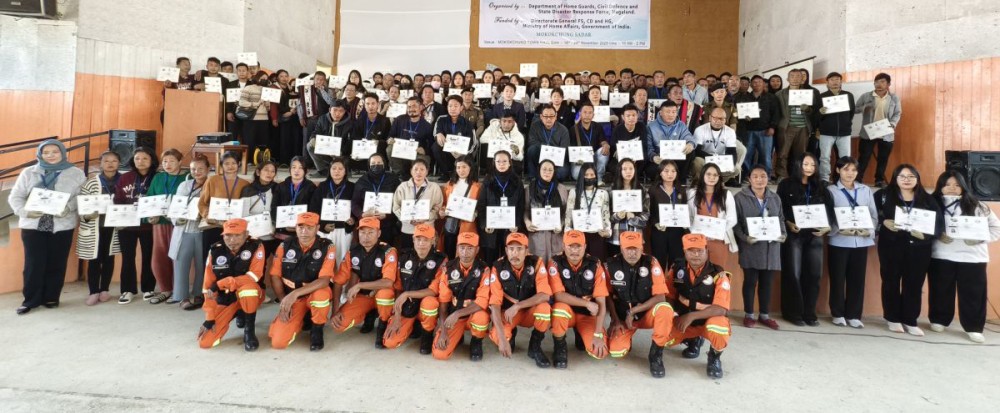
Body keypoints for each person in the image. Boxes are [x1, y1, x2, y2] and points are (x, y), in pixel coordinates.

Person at [9, 140, 86, 315]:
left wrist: (68, 208)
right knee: (33, 264)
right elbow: (16, 196)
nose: (50, 155)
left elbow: (80, 196)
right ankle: (30, 300)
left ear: (63, 153)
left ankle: (51, 297)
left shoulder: (75, 173)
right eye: (46, 152)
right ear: (40, 154)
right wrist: (25, 212)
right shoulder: (29, 172)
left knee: (56, 262)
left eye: (55, 151)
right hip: (33, 226)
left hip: (62, 225)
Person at [929, 171, 1000, 343]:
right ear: (941, 186)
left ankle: (974, 327)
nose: (952, 188)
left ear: (963, 186)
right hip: (941, 255)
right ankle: (939, 319)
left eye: (956, 185)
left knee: (973, 294)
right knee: (940, 290)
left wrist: (980, 239)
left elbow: (996, 228)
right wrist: (936, 235)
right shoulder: (931, 204)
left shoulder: (978, 205)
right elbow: (922, 226)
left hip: (973, 258)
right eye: (947, 184)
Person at [874, 164, 942, 336]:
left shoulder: (927, 199)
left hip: (919, 249)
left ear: (917, 179)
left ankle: (910, 320)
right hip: (891, 246)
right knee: (890, 281)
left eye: (911, 176)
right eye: (902, 176)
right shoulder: (882, 195)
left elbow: (938, 223)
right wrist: (884, 222)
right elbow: (870, 215)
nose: (906, 179)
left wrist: (926, 235)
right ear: (895, 178)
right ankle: (892, 318)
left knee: (914, 283)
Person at [605, 231, 673, 378]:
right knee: (616, 351)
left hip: (646, 314)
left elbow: (661, 296)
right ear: (621, 248)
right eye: (628, 248)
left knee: (665, 309)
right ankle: (626, 337)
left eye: (635, 248)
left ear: (642, 248)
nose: (632, 253)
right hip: (623, 318)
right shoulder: (611, 265)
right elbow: (608, 296)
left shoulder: (651, 262)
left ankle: (656, 355)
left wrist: (634, 310)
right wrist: (615, 321)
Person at [664, 234, 732, 379]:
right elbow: (669, 296)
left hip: (707, 322)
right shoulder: (677, 269)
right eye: (691, 251)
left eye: (700, 251)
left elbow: (721, 308)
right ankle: (693, 340)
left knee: (719, 327)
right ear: (684, 251)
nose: (695, 255)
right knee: (663, 336)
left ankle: (714, 357)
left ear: (707, 250)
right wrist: (673, 316)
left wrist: (691, 316)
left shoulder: (718, 274)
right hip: (684, 320)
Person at [268, 212, 337, 351]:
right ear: (296, 228)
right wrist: (284, 300)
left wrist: (295, 294)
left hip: (312, 293)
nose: (304, 232)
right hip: (293, 297)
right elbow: (275, 275)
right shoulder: (284, 246)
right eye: (300, 227)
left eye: (309, 228)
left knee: (321, 295)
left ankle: (317, 329)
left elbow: (324, 280)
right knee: (278, 342)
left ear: (317, 228)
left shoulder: (327, 247)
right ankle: (303, 318)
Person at [775, 153, 830, 326]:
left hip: (815, 236)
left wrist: (827, 227)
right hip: (794, 235)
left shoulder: (821, 186)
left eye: (813, 165)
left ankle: (809, 313)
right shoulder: (786, 184)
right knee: (793, 274)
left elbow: (829, 210)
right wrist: (788, 223)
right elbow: (780, 210)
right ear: (798, 165)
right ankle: (793, 313)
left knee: (814, 275)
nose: (809, 168)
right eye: (806, 164)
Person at [196, 218, 266, 351]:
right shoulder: (215, 250)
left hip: (251, 294)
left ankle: (249, 332)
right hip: (226, 298)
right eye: (228, 235)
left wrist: (222, 283)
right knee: (205, 342)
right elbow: (207, 286)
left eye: (237, 235)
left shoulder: (256, 246)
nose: (232, 240)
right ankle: (239, 312)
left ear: (246, 234)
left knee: (247, 291)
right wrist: (210, 317)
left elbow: (254, 276)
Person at [330, 217, 398, 348]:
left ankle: (382, 326)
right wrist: (335, 311)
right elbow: (338, 281)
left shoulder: (388, 251)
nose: (366, 237)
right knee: (339, 325)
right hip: (363, 297)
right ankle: (370, 313)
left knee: (384, 295)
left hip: (381, 294)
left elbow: (388, 282)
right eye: (362, 232)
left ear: (378, 233)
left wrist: (360, 285)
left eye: (370, 233)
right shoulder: (353, 252)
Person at [486, 232, 553, 367]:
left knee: (545, 309)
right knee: (499, 337)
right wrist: (503, 340)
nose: (514, 253)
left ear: (527, 251)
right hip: (508, 315)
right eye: (511, 249)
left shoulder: (536, 263)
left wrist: (518, 306)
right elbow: (495, 305)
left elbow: (545, 294)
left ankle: (535, 347)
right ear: (506, 250)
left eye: (519, 249)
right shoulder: (497, 267)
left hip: (528, 312)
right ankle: (511, 333)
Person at [825, 156, 877, 328]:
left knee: (857, 279)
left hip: (860, 242)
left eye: (854, 170)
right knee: (838, 278)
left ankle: (854, 315)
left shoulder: (865, 190)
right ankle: (838, 313)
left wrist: (868, 231)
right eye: (846, 169)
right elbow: (827, 217)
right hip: (839, 241)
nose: (850, 173)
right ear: (838, 170)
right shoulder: (830, 190)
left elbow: (873, 215)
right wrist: (838, 229)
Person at [733, 165, 786, 330]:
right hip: (751, 247)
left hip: (771, 248)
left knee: (767, 283)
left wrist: (783, 234)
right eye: (755, 176)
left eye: (763, 176)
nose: (759, 179)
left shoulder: (775, 198)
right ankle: (749, 314)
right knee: (750, 282)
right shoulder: (740, 198)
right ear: (749, 179)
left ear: (767, 178)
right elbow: (735, 224)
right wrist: (745, 238)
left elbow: (781, 219)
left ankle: (764, 315)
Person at [547, 230, 609, 368]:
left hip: (587, 316)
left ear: (585, 247)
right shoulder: (555, 263)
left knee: (600, 351)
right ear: (563, 247)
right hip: (567, 312)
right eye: (570, 246)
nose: (574, 251)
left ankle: (580, 333)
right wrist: (586, 303)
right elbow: (558, 295)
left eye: (578, 246)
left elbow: (601, 302)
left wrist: (598, 334)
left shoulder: (595, 264)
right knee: (559, 309)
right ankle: (560, 347)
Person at [383, 224, 448, 352]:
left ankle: (427, 335)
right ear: (413, 240)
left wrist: (407, 294)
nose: (421, 243)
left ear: (433, 241)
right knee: (389, 343)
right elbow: (398, 288)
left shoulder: (441, 259)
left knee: (430, 303)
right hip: (407, 306)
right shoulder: (403, 256)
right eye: (418, 239)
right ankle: (412, 326)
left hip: (425, 305)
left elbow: (433, 290)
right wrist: (396, 315)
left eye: (425, 240)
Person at [431, 232, 492, 361]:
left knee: (482, 317)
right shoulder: (448, 269)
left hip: (471, 317)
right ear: (457, 248)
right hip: (453, 318)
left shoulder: (484, 270)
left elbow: (482, 302)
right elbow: (443, 305)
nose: (465, 252)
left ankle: (476, 342)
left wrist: (458, 313)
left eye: (470, 248)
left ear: (477, 250)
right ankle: (458, 336)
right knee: (439, 354)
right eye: (462, 248)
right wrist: (443, 331)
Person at [114, 147, 159, 304]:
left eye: (145, 158)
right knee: (127, 257)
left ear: (152, 160)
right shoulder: (125, 177)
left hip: (149, 225)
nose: (141, 161)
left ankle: (148, 288)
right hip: (127, 225)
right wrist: (118, 218)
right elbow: (118, 200)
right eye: (137, 158)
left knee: (148, 257)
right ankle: (127, 289)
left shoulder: (157, 177)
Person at [77, 151, 122, 306]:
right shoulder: (91, 182)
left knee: (109, 258)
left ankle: (105, 290)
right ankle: (93, 291)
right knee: (94, 260)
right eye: (106, 161)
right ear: (100, 163)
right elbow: (82, 205)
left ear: (119, 163)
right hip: (95, 227)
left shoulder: (124, 181)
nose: (110, 164)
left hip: (114, 226)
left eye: (114, 160)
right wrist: (88, 215)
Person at [144, 148, 189, 304]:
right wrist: (150, 217)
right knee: (159, 256)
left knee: (177, 257)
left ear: (180, 162)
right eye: (164, 161)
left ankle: (179, 290)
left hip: (179, 225)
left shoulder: (187, 178)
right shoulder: (158, 177)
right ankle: (165, 289)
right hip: (159, 224)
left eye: (172, 161)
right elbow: (150, 199)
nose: (167, 164)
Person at [169, 155, 211, 310]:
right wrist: (176, 219)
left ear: (208, 169)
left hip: (203, 230)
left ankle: (200, 293)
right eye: (193, 169)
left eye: (201, 169)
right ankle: (182, 296)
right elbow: (176, 206)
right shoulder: (184, 186)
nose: (197, 172)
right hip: (184, 229)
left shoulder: (212, 184)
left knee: (203, 264)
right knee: (181, 262)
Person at [198, 152, 250, 266]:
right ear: (221, 165)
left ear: (239, 164)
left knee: (231, 262)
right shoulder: (212, 180)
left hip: (234, 230)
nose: (230, 166)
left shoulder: (245, 184)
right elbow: (202, 203)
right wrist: (207, 215)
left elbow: (246, 206)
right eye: (226, 163)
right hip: (214, 226)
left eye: (233, 163)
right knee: (210, 262)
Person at [478, 151, 526, 263]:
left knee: (508, 262)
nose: (501, 164)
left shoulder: (517, 182)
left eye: (504, 161)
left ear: (510, 163)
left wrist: (517, 224)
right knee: (490, 261)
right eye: (498, 161)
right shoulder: (487, 181)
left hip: (510, 228)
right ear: (494, 163)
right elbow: (481, 205)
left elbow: (520, 206)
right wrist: (485, 224)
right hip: (491, 229)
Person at [855, 73, 902, 186]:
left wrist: (893, 124)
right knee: (864, 158)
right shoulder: (866, 96)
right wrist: (864, 108)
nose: (879, 84)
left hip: (886, 132)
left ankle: (879, 180)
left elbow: (897, 113)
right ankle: (857, 180)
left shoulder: (894, 98)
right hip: (868, 132)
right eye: (876, 82)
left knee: (883, 158)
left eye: (882, 82)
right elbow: (855, 109)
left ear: (888, 84)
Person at [687, 163, 738, 266]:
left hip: (719, 240)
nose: (712, 177)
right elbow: (689, 217)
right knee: (699, 275)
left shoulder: (726, 194)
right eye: (708, 174)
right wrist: (696, 232)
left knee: (718, 274)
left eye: (715, 175)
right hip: (699, 241)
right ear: (702, 175)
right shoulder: (693, 193)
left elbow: (732, 219)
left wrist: (717, 232)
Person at [774, 69, 821, 180]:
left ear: (802, 79)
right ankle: (782, 176)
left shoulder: (809, 94)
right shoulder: (780, 94)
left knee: (800, 154)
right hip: (786, 126)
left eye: (797, 76)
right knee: (783, 153)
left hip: (803, 127)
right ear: (787, 79)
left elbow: (813, 111)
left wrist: (807, 109)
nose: (795, 78)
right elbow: (776, 112)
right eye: (792, 76)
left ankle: (798, 176)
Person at [308, 157, 355, 263]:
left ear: (345, 171)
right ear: (329, 170)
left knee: (341, 262)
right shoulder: (322, 187)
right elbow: (314, 209)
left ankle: (340, 280)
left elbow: (355, 208)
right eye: (334, 168)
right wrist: (322, 225)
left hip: (343, 230)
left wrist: (353, 220)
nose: (337, 171)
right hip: (325, 231)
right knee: (323, 261)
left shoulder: (352, 187)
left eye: (340, 169)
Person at [392, 159, 444, 250]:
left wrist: (426, 217)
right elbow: (396, 208)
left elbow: (437, 207)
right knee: (407, 257)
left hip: (427, 229)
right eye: (415, 169)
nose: (418, 172)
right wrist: (409, 220)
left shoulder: (434, 187)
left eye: (422, 169)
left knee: (427, 259)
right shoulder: (402, 187)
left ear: (427, 171)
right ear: (411, 171)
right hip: (408, 230)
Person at [563, 164, 612, 258]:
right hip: (578, 235)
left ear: (596, 176)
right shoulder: (574, 192)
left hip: (597, 234)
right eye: (586, 175)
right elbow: (568, 214)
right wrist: (568, 232)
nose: (589, 177)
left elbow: (606, 215)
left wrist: (607, 231)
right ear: (581, 176)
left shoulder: (603, 193)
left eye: (592, 174)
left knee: (596, 264)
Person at [736, 75, 780, 178]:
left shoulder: (771, 97)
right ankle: (747, 175)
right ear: (751, 85)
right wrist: (744, 117)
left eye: (759, 82)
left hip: (765, 131)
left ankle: (766, 176)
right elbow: (739, 113)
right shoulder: (745, 97)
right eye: (754, 82)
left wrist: (772, 127)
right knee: (746, 155)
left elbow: (776, 114)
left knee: (766, 156)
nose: (757, 84)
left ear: (764, 84)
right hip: (748, 131)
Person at [351, 153, 401, 244]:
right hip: (367, 223)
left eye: (379, 162)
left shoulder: (393, 180)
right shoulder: (362, 181)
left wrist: (387, 215)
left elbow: (399, 202)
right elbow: (354, 203)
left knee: (386, 253)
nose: (376, 165)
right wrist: (362, 214)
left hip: (387, 224)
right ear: (369, 165)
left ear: (384, 164)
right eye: (373, 163)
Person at [649, 160, 689, 270]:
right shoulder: (653, 190)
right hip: (659, 231)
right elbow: (649, 211)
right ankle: (659, 286)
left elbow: (685, 208)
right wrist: (655, 223)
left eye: (673, 171)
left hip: (677, 232)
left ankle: (674, 287)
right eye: (666, 171)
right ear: (660, 173)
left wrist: (685, 222)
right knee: (658, 263)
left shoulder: (681, 190)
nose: (670, 174)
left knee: (676, 264)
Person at [439, 156, 481, 259]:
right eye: (458, 167)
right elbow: (444, 203)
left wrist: (475, 214)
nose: (461, 170)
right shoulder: (449, 185)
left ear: (470, 168)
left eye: (464, 167)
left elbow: (480, 207)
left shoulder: (477, 186)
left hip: (467, 224)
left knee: (465, 251)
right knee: (449, 248)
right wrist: (442, 211)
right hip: (451, 223)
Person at [524, 160, 567, 261]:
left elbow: (566, 212)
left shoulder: (561, 189)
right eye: (544, 169)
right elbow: (526, 210)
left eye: (550, 170)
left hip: (555, 235)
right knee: (538, 268)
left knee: (555, 268)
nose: (547, 172)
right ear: (539, 170)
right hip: (536, 236)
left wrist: (561, 223)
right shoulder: (530, 189)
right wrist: (527, 222)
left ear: (554, 172)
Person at [817, 72, 856, 183]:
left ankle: (842, 179)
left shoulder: (848, 95)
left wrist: (846, 124)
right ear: (827, 82)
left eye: (837, 79)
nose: (835, 82)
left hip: (844, 132)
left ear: (841, 81)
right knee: (824, 157)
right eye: (832, 79)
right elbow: (817, 116)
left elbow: (851, 112)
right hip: (826, 132)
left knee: (845, 158)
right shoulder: (822, 96)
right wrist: (821, 112)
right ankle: (824, 178)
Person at [691, 108, 746, 185]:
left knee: (736, 168)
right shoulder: (700, 130)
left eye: (721, 119)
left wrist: (728, 164)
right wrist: (712, 159)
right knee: (697, 161)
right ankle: (700, 182)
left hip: (721, 159)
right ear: (710, 118)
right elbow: (697, 151)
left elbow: (732, 152)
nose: (718, 121)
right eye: (715, 118)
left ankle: (719, 181)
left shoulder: (730, 132)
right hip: (705, 158)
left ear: (725, 120)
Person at [645, 100, 696, 181]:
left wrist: (690, 144)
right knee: (651, 169)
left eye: (673, 112)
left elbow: (688, 137)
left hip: (676, 158)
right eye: (668, 112)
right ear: (661, 113)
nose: (671, 115)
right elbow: (647, 146)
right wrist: (653, 156)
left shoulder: (681, 125)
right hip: (659, 159)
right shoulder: (651, 126)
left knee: (691, 152)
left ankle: (680, 182)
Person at [607, 159, 649, 256]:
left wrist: (633, 218)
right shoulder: (612, 189)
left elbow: (646, 215)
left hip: (635, 235)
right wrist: (616, 216)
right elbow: (606, 215)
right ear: (619, 171)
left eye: (631, 168)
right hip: (616, 237)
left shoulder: (641, 190)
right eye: (624, 169)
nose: (628, 171)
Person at [387, 97, 433, 180]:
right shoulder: (399, 119)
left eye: (414, 106)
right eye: (409, 106)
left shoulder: (427, 126)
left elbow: (431, 144)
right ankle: (399, 174)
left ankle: (416, 177)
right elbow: (390, 135)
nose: (411, 109)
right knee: (389, 149)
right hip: (400, 151)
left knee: (423, 158)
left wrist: (424, 150)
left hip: (417, 154)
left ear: (421, 107)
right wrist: (390, 139)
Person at [433, 95, 477, 182]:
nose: (452, 108)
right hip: (446, 152)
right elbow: (435, 132)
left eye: (456, 106)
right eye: (450, 106)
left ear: (461, 108)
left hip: (462, 153)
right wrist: (438, 134)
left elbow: (473, 142)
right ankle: (445, 173)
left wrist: (463, 153)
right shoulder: (441, 119)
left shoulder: (467, 123)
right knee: (435, 146)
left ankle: (457, 173)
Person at [271, 157, 316, 240]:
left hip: (303, 232)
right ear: (290, 169)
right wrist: (284, 225)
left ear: (306, 170)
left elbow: (313, 210)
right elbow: (274, 208)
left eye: (300, 168)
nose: (296, 170)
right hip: (282, 231)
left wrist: (301, 224)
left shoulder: (311, 187)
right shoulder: (280, 186)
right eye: (294, 167)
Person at [306, 99, 352, 179]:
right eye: (335, 110)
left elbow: (350, 141)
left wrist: (341, 151)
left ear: (345, 112)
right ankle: (322, 171)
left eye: (341, 111)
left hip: (341, 153)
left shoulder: (350, 123)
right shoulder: (322, 119)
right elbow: (316, 132)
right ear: (330, 110)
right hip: (325, 149)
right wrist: (313, 138)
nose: (337, 114)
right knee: (310, 145)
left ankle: (345, 170)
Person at [526, 104, 571, 181]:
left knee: (563, 172)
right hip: (540, 158)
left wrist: (552, 153)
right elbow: (532, 141)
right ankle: (533, 176)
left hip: (556, 160)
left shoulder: (563, 130)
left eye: (551, 116)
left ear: (556, 116)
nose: (549, 119)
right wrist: (545, 150)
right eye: (546, 116)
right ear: (541, 117)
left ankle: (543, 175)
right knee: (531, 150)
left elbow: (565, 149)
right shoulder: (535, 126)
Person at [349, 93, 392, 172]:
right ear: (364, 105)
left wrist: (378, 142)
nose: (370, 106)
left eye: (373, 103)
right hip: (363, 150)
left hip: (378, 151)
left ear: (378, 104)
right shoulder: (359, 120)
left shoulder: (385, 121)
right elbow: (354, 138)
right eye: (367, 104)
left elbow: (387, 139)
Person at [570, 103, 610, 183]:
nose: (587, 115)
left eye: (590, 113)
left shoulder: (597, 126)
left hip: (594, 158)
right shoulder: (574, 129)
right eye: (585, 112)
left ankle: (598, 177)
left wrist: (605, 145)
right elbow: (572, 150)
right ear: (580, 114)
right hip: (580, 160)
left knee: (604, 151)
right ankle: (589, 177)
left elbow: (603, 141)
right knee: (576, 174)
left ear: (593, 115)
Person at [238, 71, 272, 163]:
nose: (264, 80)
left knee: (263, 141)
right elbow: (242, 102)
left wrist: (267, 105)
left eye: (266, 79)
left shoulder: (267, 90)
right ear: (257, 78)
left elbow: (268, 108)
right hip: (251, 118)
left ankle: (261, 160)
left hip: (264, 119)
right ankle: (248, 161)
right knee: (249, 141)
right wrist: (255, 104)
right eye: (262, 78)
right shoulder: (249, 88)